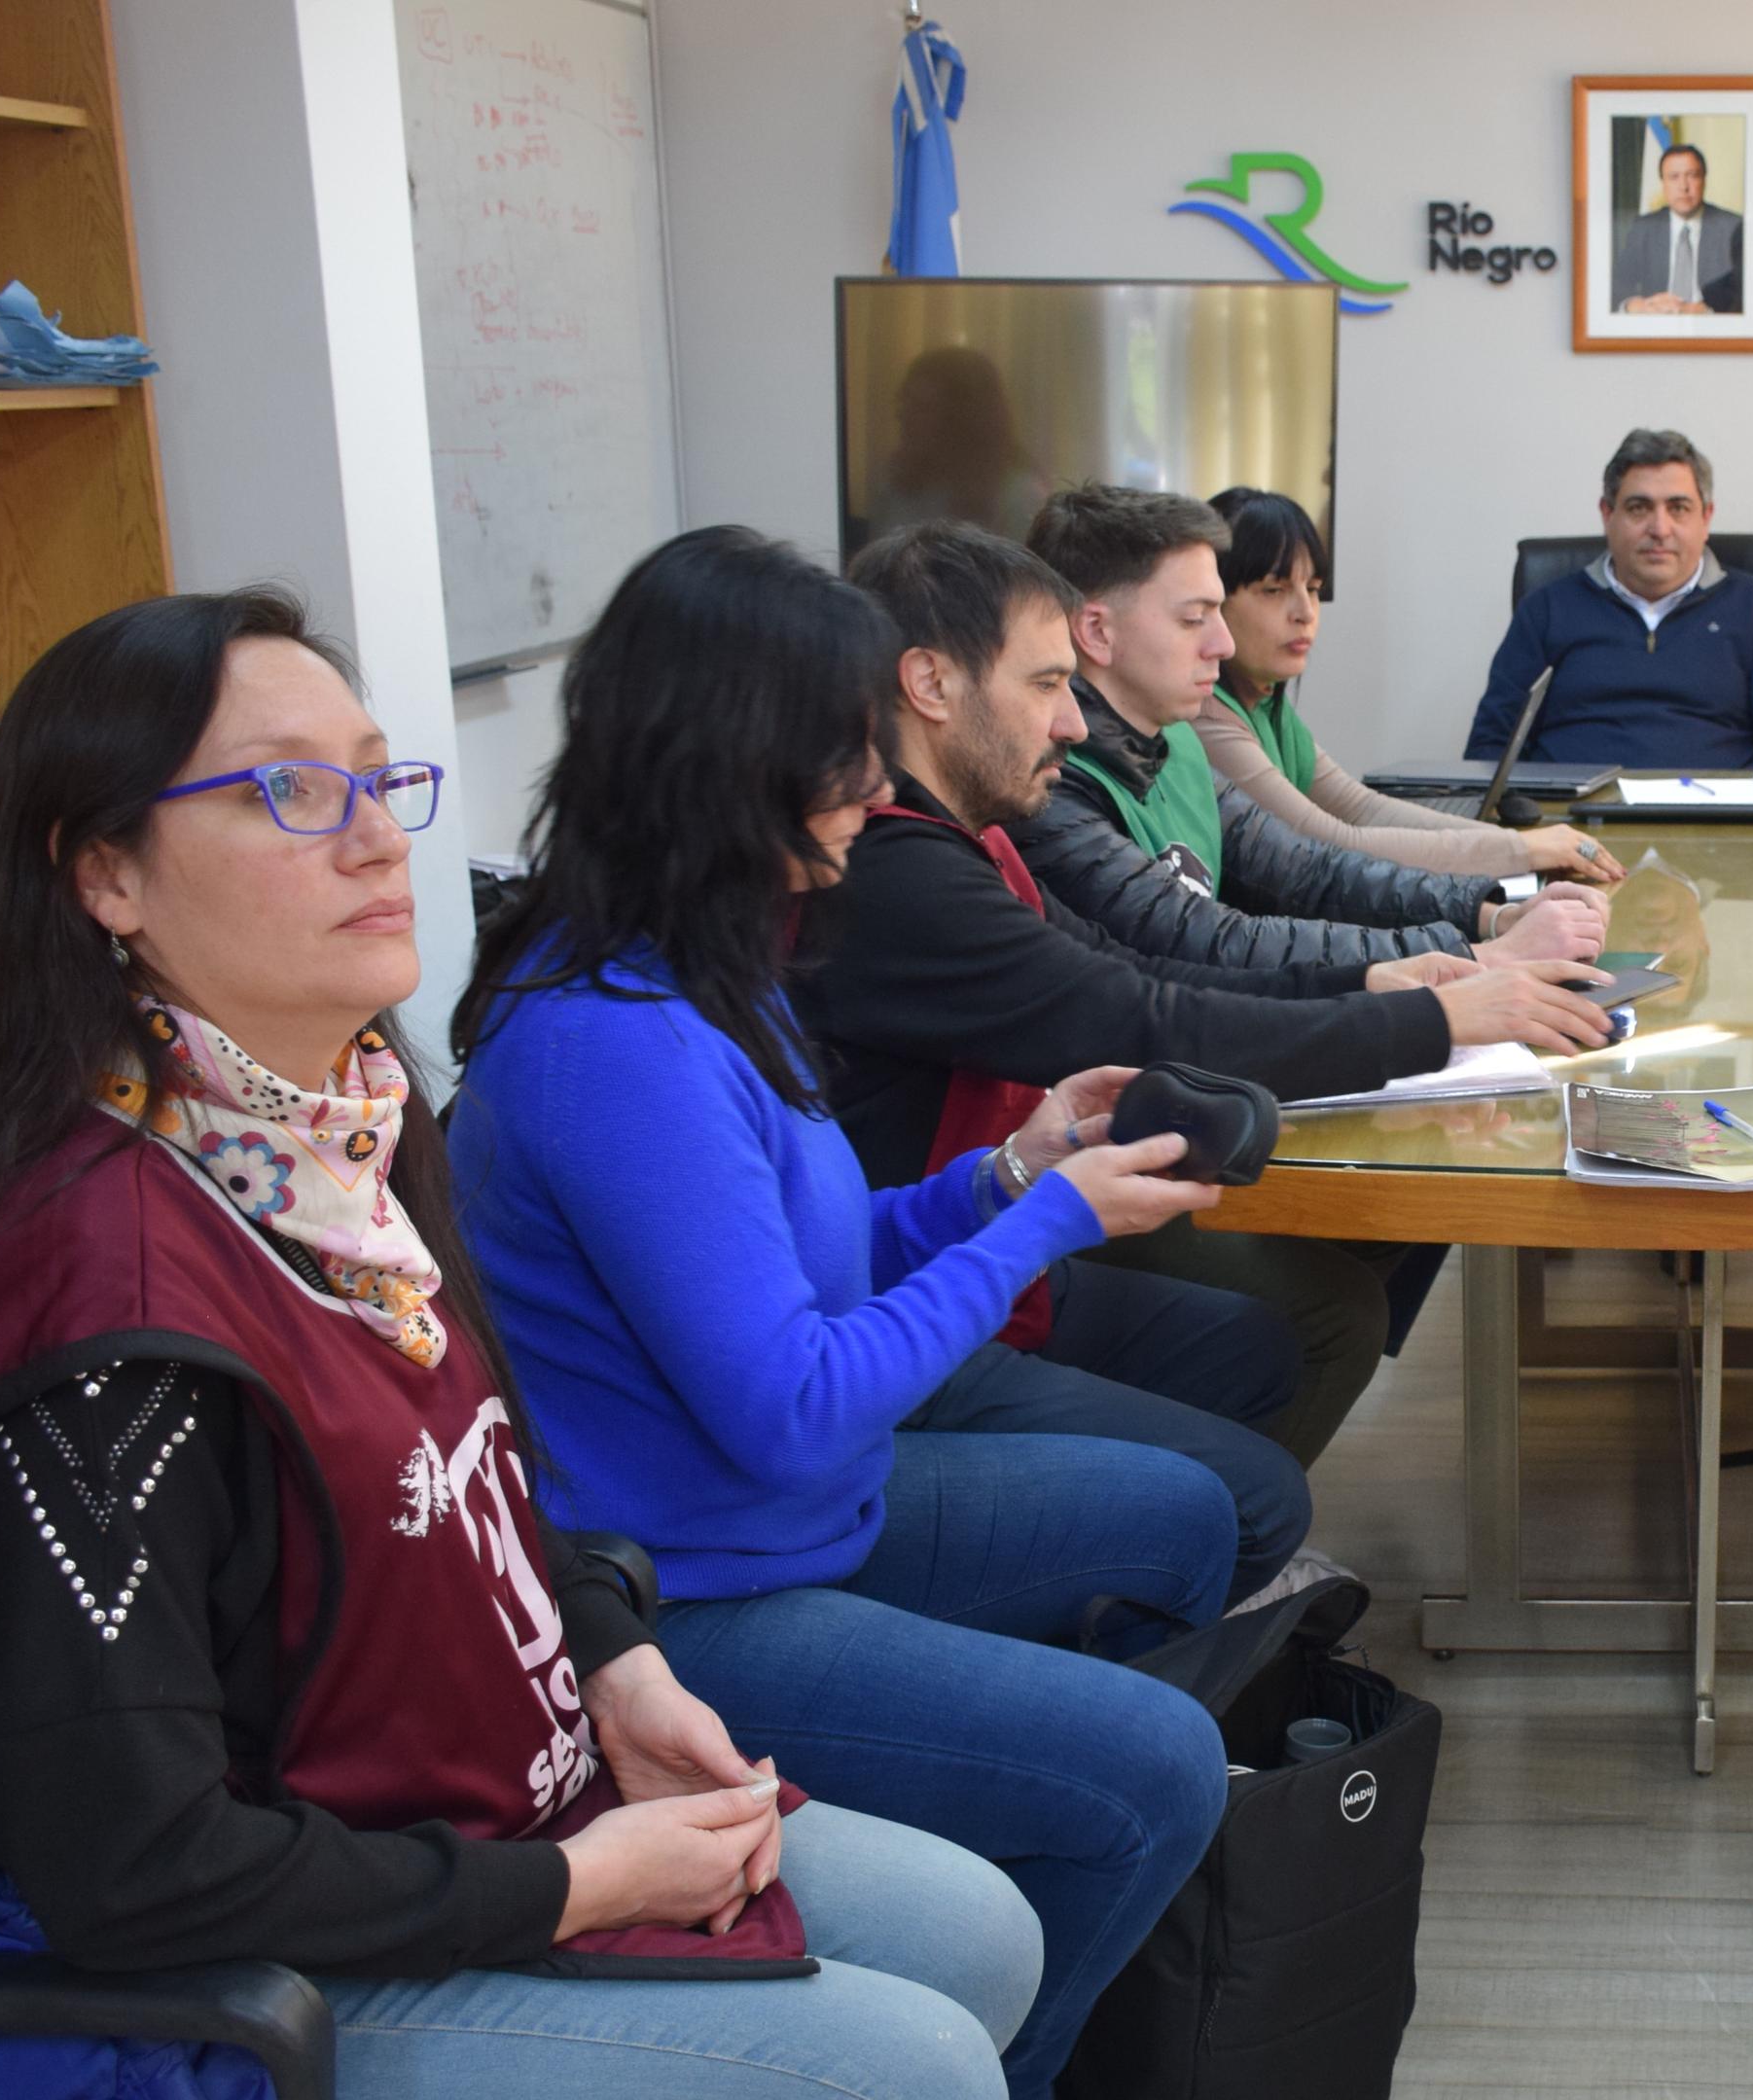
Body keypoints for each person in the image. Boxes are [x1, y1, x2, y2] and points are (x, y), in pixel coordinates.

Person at [0, 587, 1044, 2099]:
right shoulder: (84, 1316)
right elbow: (135, 1867)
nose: (377, 840)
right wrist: (577, 1884)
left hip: (488, 1803)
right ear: (106, 871)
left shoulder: (343, 1138)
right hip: (270, 1948)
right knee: (914, 2063)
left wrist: (615, 1659)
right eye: (288, 791)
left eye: (378, 780)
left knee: (983, 1933)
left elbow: (475, 1482)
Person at [447, 526, 1254, 2093]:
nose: (874, 780)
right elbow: (796, 1395)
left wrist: (1004, 1175)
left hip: (798, 1515)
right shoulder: (611, 1038)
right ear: (733, 758)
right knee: (1156, 1764)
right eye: (843, 746)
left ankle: (1005, 1861)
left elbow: (810, 1253)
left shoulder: (711, 970)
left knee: (1189, 1516)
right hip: (693, 1593)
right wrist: (1047, 1226)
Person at [809, 520, 1615, 1466]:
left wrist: (1379, 979)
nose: (1070, 720)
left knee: (1317, 1319)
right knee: (1289, 1392)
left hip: (983, 1234)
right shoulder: (911, 868)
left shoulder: (974, 833)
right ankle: (1195, 1523)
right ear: (930, 683)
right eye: (1045, 683)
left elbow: (1142, 969)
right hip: (926, 1291)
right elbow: (1139, 1011)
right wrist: (1426, 1013)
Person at [1019, 483, 1610, 971]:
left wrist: (1492, 914)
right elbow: (1214, 941)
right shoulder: (1049, 789)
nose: (1222, 643)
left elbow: (1311, 871)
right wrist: (1471, 955)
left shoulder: (1173, 741)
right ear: (1096, 632)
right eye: (1194, 619)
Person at [1195, 485, 1624, 882]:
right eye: (1274, 590)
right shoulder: (1208, 718)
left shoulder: (1267, 701)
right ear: (1213, 601)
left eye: (1313, 588)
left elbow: (1361, 808)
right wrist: (1521, 849)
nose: (1305, 612)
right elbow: (1329, 843)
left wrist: (1519, 843)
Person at [1465, 428, 1753, 770]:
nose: (1659, 529)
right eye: (1639, 508)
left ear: (1706, 518)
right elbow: (1492, 744)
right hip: (1569, 812)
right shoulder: (1546, 609)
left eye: (1678, 508)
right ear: (1607, 514)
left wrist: (1740, 803)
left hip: (1715, 811)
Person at [866, 343, 1046, 541]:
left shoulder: (1018, 500)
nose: (903, 415)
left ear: (963, 417)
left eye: (921, 407)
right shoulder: (897, 488)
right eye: (903, 402)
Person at [1611, 141, 1743, 314]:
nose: (1683, 187)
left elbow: (1745, 291)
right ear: (1663, 183)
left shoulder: (1732, 226)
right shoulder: (1644, 227)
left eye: (1692, 176)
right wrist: (1637, 306)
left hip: (1711, 325)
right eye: (1674, 177)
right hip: (1656, 324)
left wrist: (1705, 309)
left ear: (1704, 180)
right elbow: (1617, 285)